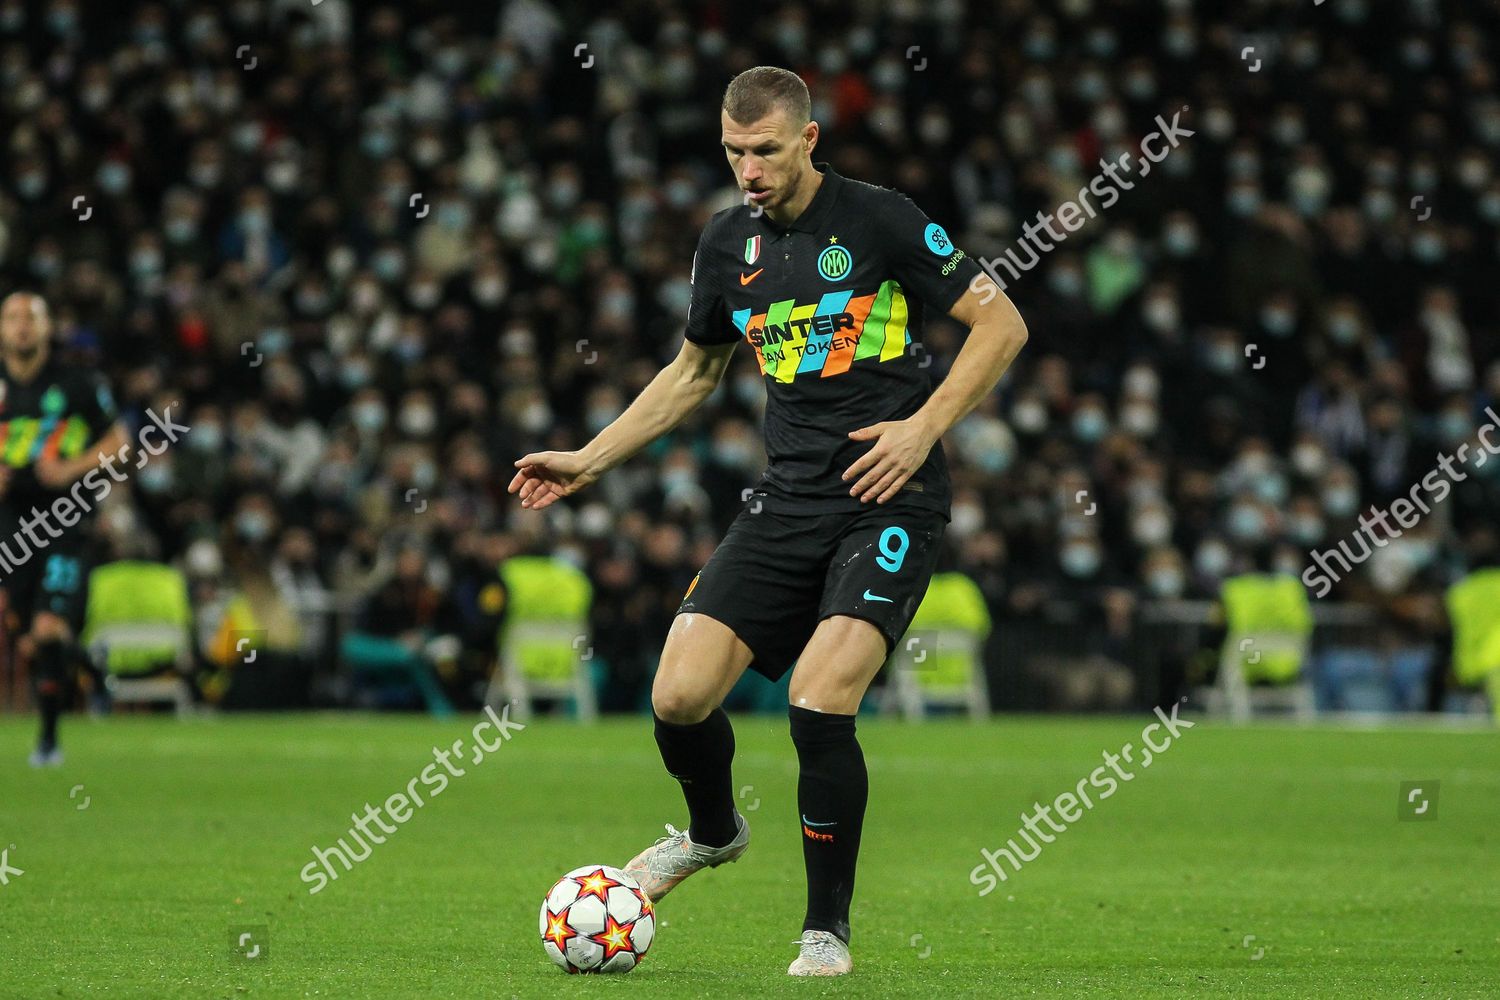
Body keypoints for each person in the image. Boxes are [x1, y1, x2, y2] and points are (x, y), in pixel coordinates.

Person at [507, 67, 1028, 976]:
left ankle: (825, 931)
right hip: (786, 501)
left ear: (809, 140)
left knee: (819, 698)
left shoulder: (881, 220)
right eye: (734, 152)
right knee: (675, 697)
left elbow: (1002, 325)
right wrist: (588, 458)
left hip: (887, 495)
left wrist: (922, 428)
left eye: (766, 151)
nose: (748, 169)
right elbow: (693, 374)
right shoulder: (723, 244)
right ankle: (714, 834)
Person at [0, 292, 129, 766]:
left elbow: (119, 442)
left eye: (31, 318)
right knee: (29, 636)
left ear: (48, 328)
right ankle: (88, 665)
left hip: (63, 519)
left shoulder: (76, 382)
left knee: (48, 625)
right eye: (12, 318)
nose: (22, 327)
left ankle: (49, 742)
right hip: (10, 524)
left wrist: (71, 467)